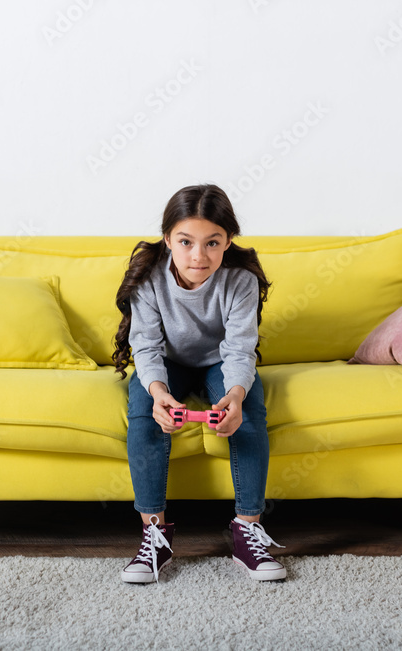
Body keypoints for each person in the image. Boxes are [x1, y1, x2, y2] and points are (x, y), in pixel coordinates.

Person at [112, 184, 286, 584]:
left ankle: (246, 531)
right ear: (168, 237)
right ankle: (154, 536)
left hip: (219, 362)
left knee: (251, 413)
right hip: (167, 363)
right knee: (143, 410)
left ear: (227, 242)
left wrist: (236, 396)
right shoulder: (149, 277)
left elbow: (241, 350)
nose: (198, 256)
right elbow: (146, 346)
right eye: (186, 242)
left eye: (212, 243)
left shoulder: (239, 280)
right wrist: (157, 393)